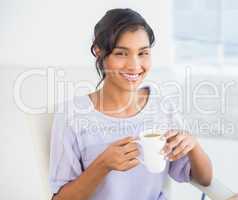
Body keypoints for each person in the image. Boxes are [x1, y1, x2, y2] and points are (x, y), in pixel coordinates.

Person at [49, 8, 212, 200]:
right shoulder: (72, 115)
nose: (135, 65)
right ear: (98, 52)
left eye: (143, 53)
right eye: (121, 53)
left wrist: (193, 145)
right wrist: (103, 165)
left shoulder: (162, 107)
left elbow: (205, 179)